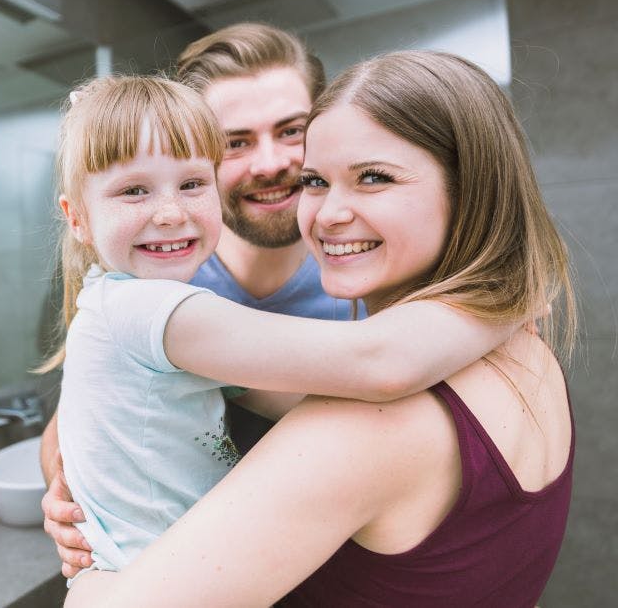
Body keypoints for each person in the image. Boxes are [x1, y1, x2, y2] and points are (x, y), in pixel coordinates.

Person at [64, 50, 577, 607]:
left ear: (471, 188)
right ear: (78, 217)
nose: (328, 213)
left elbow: (376, 366)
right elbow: (114, 399)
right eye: (315, 180)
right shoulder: (530, 355)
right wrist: (504, 301)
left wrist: (90, 586)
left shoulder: (372, 428)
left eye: (374, 178)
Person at [40, 23, 347, 575]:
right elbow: (75, 420)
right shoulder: (161, 278)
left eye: (292, 130)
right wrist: (67, 501)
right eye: (236, 142)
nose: (270, 162)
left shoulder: (370, 262)